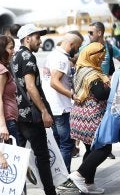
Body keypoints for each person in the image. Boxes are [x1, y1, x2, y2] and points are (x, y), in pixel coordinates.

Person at [11, 23, 57, 195]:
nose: (40, 41)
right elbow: (31, 87)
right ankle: (50, 192)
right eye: (37, 37)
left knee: (20, 158)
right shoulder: (28, 57)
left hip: (18, 114)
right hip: (31, 116)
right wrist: (44, 111)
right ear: (27, 38)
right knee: (42, 157)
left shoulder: (15, 56)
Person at [68, 42, 111, 194]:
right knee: (104, 147)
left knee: (90, 149)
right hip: (91, 118)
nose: (101, 60)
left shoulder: (81, 68)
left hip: (80, 116)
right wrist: (111, 89)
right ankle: (78, 175)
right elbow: (100, 94)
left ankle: (89, 184)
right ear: (92, 56)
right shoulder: (91, 74)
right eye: (100, 57)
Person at [42, 32, 83, 172]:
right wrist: (71, 95)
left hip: (52, 107)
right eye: (77, 47)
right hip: (61, 107)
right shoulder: (61, 59)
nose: (77, 50)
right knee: (66, 144)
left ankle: (58, 176)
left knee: (58, 144)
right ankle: (64, 177)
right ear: (71, 44)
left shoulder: (54, 55)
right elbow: (54, 82)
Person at [87, 21, 119, 159]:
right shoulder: (85, 48)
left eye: (91, 32)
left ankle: (106, 145)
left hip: (107, 92)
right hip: (92, 92)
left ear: (99, 33)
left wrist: (114, 77)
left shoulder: (110, 48)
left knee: (106, 119)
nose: (88, 35)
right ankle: (97, 150)